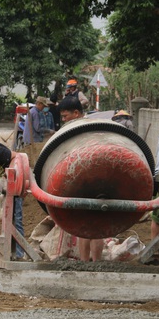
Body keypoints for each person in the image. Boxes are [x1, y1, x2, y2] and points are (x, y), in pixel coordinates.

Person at [57, 96, 103, 262]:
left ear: (76, 113)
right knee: (97, 226)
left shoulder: (74, 129)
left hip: (82, 180)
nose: (63, 120)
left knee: (85, 226)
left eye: (65, 116)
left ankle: (84, 264)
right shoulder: (96, 126)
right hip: (99, 180)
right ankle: (96, 264)